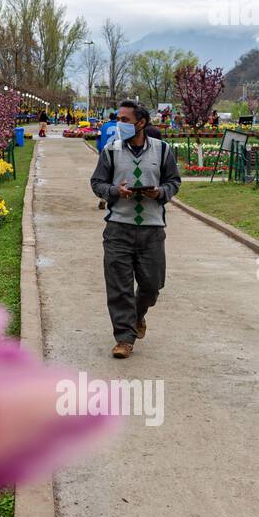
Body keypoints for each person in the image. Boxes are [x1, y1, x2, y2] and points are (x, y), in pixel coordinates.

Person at [89, 100, 181, 359]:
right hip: (118, 228)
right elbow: (97, 183)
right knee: (119, 286)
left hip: (152, 230)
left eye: (126, 120)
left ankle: (138, 314)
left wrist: (160, 192)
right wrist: (115, 192)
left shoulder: (162, 151)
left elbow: (174, 181)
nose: (121, 124)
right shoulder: (111, 150)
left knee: (152, 285)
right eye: (119, 119)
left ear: (141, 122)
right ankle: (124, 338)